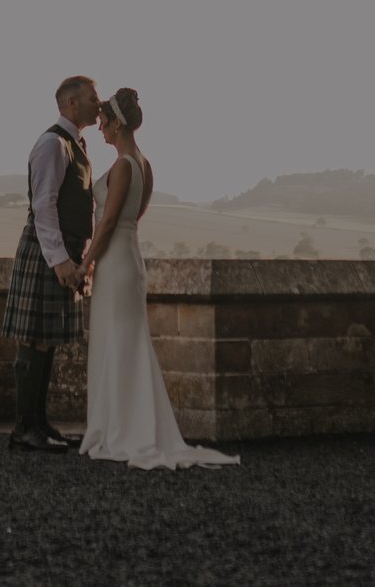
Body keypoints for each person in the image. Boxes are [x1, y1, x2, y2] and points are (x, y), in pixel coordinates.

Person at [77, 87, 238, 470]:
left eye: (103, 123)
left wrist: (86, 263)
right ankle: (130, 425)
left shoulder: (122, 166)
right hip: (130, 259)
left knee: (118, 342)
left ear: (117, 123)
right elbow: (135, 216)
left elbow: (110, 220)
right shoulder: (145, 165)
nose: (100, 129)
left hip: (116, 263)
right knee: (126, 342)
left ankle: (120, 430)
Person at [1, 74, 97, 451]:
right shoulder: (52, 144)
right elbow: (43, 206)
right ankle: (24, 429)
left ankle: (38, 424)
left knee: (47, 340)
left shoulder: (75, 144)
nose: (97, 103)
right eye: (92, 97)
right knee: (34, 338)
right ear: (71, 104)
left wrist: (79, 259)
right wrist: (59, 260)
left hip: (62, 249)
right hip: (46, 249)